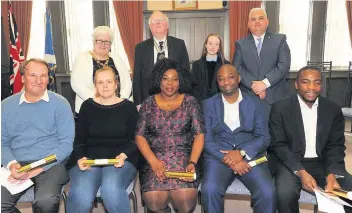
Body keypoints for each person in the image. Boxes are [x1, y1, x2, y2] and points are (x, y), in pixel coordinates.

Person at [269, 66, 352, 213]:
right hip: (290, 163)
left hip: (322, 162)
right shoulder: (280, 108)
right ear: (296, 84)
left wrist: (332, 173)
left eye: (317, 82)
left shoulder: (333, 109)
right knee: (285, 194)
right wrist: (300, 171)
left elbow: (336, 146)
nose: (311, 87)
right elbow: (278, 145)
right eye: (305, 82)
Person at [1, 58, 75, 213]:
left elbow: (66, 145)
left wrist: (39, 168)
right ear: (22, 78)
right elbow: (3, 142)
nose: (39, 80)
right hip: (18, 163)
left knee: (45, 202)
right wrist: (12, 164)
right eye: (33, 75)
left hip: (52, 164)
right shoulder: (5, 106)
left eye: (43, 76)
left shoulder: (60, 104)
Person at [201, 64, 276, 213]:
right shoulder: (207, 105)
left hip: (251, 156)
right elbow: (206, 140)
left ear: (239, 79)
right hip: (218, 156)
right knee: (209, 190)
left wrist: (241, 153)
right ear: (217, 82)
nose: (226, 82)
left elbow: (263, 138)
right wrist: (228, 159)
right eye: (221, 79)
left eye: (230, 77)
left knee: (267, 192)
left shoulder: (257, 104)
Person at [135, 58, 205, 213]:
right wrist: (154, 162)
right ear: (158, 80)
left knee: (186, 199)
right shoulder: (148, 103)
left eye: (175, 79)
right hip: (154, 157)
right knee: (154, 200)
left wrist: (193, 162)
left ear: (181, 82)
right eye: (165, 79)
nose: (170, 83)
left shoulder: (191, 102)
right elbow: (139, 136)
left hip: (185, 157)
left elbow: (199, 134)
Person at [66, 67, 139, 213]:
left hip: (120, 157)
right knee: (81, 196)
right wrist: (80, 157)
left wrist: (124, 155)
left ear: (116, 84)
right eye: (100, 82)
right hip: (89, 158)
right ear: (95, 85)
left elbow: (135, 139)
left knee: (111, 190)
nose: (105, 86)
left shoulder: (129, 107)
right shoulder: (87, 106)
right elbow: (79, 139)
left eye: (109, 81)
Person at [71, 26, 132, 122]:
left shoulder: (117, 58)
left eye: (107, 42)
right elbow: (77, 84)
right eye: (99, 41)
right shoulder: (82, 58)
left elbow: (127, 82)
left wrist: (119, 101)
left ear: (111, 44)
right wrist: (99, 102)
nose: (103, 44)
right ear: (94, 41)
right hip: (91, 109)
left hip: (117, 108)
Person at [233, 8, 291, 107]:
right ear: (248, 24)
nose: (257, 22)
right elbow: (237, 68)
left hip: (275, 98)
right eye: (253, 19)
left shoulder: (280, 40)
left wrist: (264, 84)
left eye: (261, 18)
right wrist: (255, 86)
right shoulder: (240, 44)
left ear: (267, 22)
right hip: (249, 97)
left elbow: (284, 65)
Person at [133, 11, 190, 106]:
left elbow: (185, 73)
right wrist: (138, 103)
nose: (158, 23)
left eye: (161, 20)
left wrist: (184, 98)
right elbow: (137, 78)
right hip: (149, 100)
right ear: (150, 27)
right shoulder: (140, 48)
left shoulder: (179, 44)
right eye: (154, 21)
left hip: (175, 98)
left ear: (167, 25)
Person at [191, 34, 230, 103]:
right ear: (206, 45)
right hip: (200, 103)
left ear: (219, 47)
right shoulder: (196, 65)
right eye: (210, 43)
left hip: (220, 102)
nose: (213, 47)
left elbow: (227, 86)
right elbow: (193, 86)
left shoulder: (226, 65)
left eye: (216, 44)